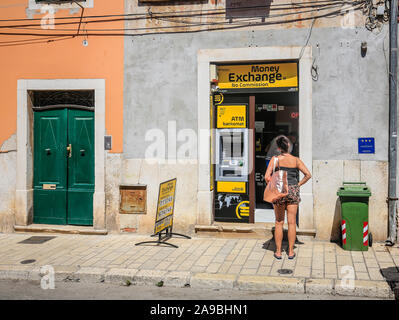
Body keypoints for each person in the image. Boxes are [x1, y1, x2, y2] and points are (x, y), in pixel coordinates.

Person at [264, 135, 311, 260]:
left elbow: (267, 177)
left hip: (279, 192)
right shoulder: (296, 160)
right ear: (288, 146)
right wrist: (297, 185)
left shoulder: (275, 159)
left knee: (279, 222)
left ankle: (278, 252)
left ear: (279, 148)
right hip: (293, 191)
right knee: (292, 222)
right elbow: (308, 175)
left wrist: (275, 183)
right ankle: (290, 251)